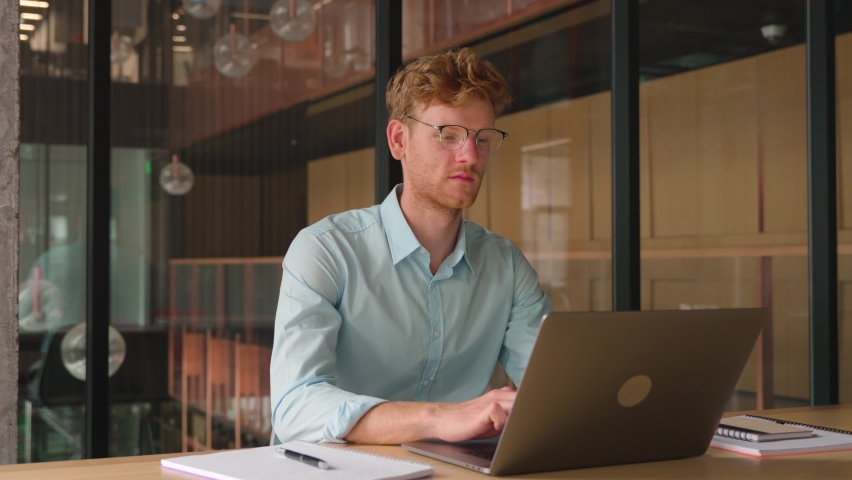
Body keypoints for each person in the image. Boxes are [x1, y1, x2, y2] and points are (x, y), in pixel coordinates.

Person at [271, 48, 553, 445]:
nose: (470, 156)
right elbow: (295, 406)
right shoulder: (324, 250)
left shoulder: (506, 265)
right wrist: (437, 418)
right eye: (448, 135)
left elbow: (551, 394)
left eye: (483, 138)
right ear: (399, 139)